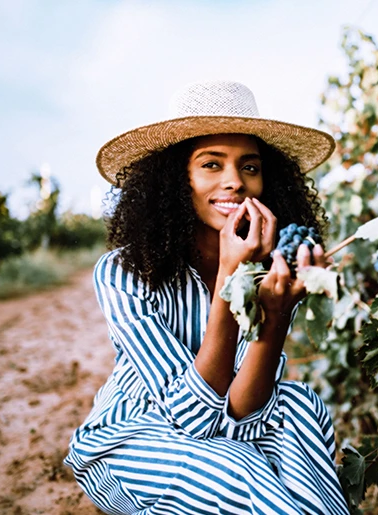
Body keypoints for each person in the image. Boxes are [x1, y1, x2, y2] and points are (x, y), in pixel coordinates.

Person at [64, 81, 349, 515]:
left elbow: (241, 411)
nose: (235, 182)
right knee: (245, 471)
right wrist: (229, 279)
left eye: (250, 167)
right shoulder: (124, 272)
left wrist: (274, 316)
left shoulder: (275, 268)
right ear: (176, 179)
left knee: (303, 408)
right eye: (211, 164)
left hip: (230, 428)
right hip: (133, 440)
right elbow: (195, 418)